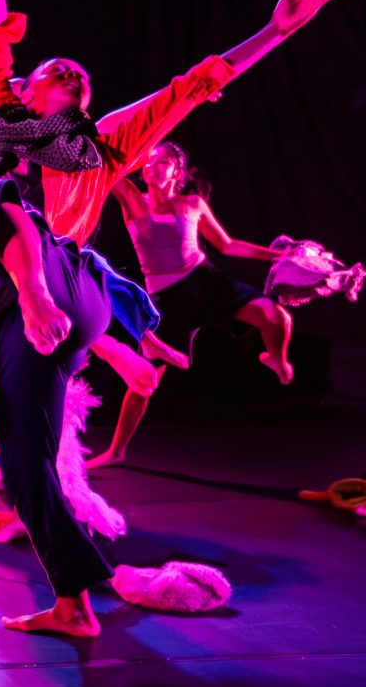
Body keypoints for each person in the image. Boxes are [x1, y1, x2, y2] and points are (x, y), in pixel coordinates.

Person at [0, 0, 349, 637]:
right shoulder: (6, 118)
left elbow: (190, 87)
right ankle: (74, 603)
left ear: (78, 100)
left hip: (56, 283)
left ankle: (96, 339)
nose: (51, 75)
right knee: (23, 462)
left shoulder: (105, 140)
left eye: (66, 76)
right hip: (23, 301)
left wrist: (277, 29)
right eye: (44, 72)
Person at [87, 142, 294, 467]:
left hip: (203, 281)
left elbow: (227, 245)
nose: (152, 166)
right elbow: (107, 161)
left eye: (163, 162)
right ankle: (116, 452)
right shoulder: (133, 200)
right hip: (166, 301)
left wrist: (276, 256)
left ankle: (276, 359)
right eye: (149, 161)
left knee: (276, 317)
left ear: (178, 172)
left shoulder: (192, 204)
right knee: (144, 380)